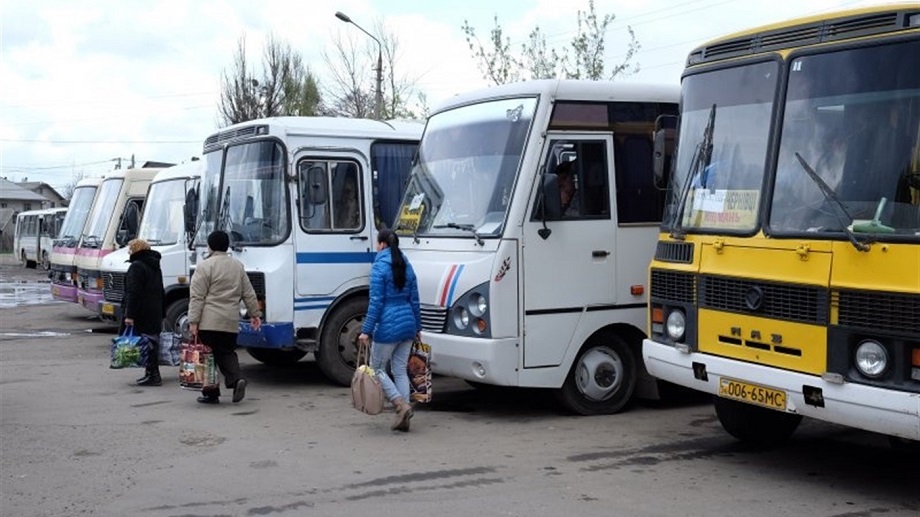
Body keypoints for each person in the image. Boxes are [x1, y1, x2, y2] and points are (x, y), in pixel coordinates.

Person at [358, 228, 422, 432]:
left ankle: (400, 405)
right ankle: (405, 415)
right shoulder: (407, 265)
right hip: (408, 324)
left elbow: (376, 302)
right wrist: (418, 327)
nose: (376, 246)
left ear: (382, 244)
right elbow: (415, 300)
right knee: (400, 370)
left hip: (388, 325)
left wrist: (366, 330)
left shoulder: (379, 267)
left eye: (377, 243)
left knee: (376, 369)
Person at [187, 230, 262, 404]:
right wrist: (255, 314)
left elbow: (197, 297)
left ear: (210, 246)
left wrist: (193, 321)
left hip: (208, 321)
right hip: (230, 321)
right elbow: (248, 292)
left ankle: (211, 394)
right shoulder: (237, 266)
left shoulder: (205, 266)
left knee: (207, 356)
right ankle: (237, 379)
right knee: (227, 353)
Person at [123, 239, 165, 386]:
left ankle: (153, 375)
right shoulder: (154, 265)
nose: (128, 252)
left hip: (142, 311)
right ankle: (152, 374)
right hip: (154, 310)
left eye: (130, 249)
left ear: (136, 249)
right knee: (151, 342)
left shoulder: (136, 266)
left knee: (146, 344)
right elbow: (160, 289)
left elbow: (133, 292)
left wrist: (130, 315)